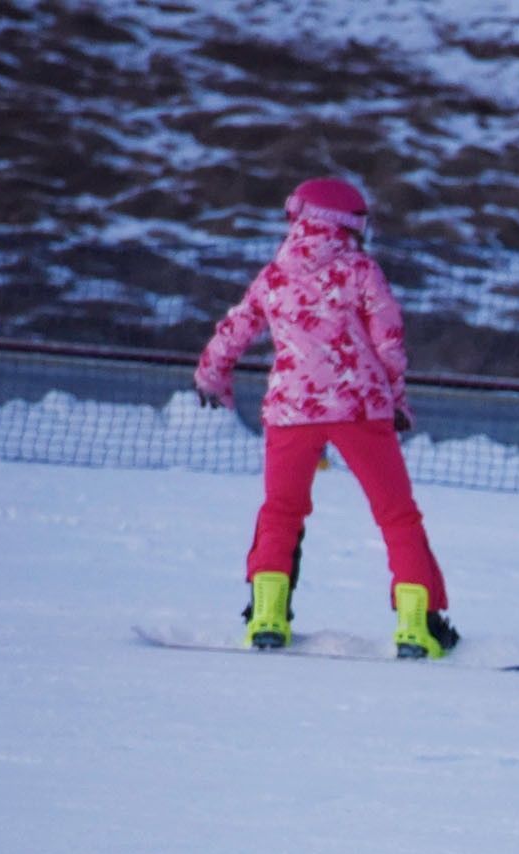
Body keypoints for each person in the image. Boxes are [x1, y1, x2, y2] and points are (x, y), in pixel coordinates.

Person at [195, 177, 456, 659]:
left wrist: (213, 376)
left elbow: (235, 328)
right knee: (397, 515)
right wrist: (397, 399)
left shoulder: (275, 274)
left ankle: (268, 618)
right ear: (350, 224)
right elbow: (389, 340)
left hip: (291, 411)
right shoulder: (361, 270)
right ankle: (417, 627)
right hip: (361, 409)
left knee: (281, 511)